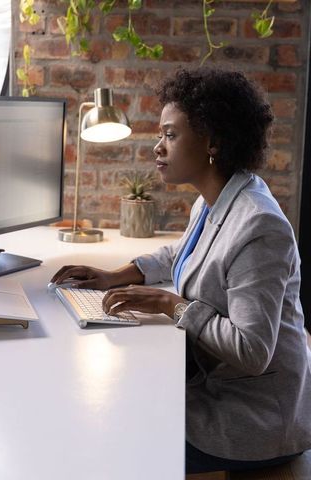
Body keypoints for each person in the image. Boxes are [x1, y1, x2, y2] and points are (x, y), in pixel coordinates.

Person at [52, 67, 311, 473]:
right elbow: (183, 253)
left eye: (170, 135)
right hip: (215, 390)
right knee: (104, 400)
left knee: (105, 431)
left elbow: (253, 349)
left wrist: (170, 304)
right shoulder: (217, 197)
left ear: (213, 142)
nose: (158, 147)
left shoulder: (260, 225)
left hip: (253, 421)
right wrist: (114, 275)